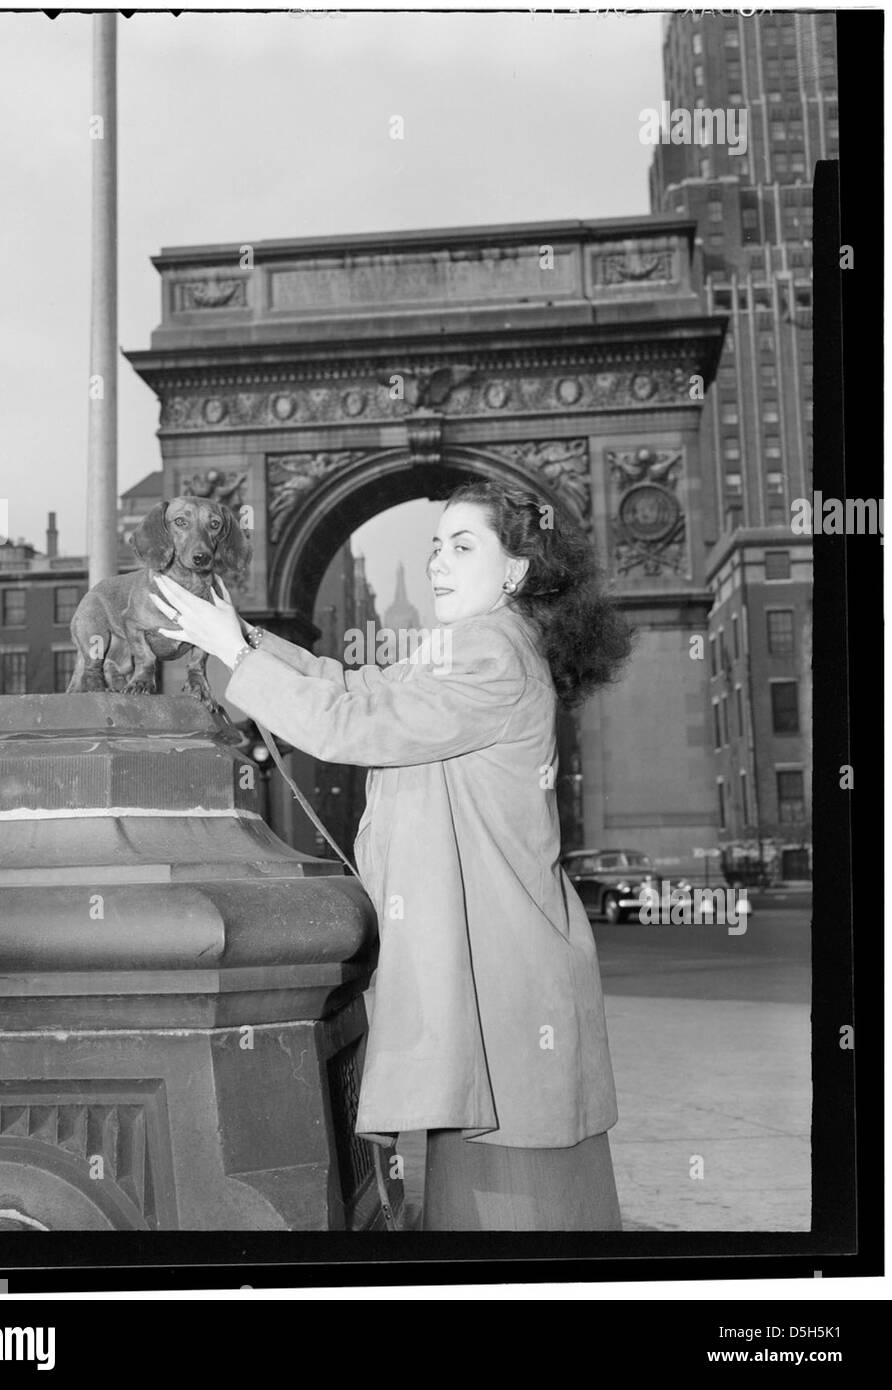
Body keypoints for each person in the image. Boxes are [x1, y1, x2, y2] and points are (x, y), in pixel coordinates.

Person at [152, 478, 634, 1231]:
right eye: (435, 545)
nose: (439, 561)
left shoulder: (490, 655)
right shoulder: (470, 648)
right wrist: (239, 638)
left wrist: (231, 656)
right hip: (501, 991)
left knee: (514, 1224)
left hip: (502, 992)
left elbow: (356, 725)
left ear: (515, 572)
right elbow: (353, 685)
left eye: (463, 546)